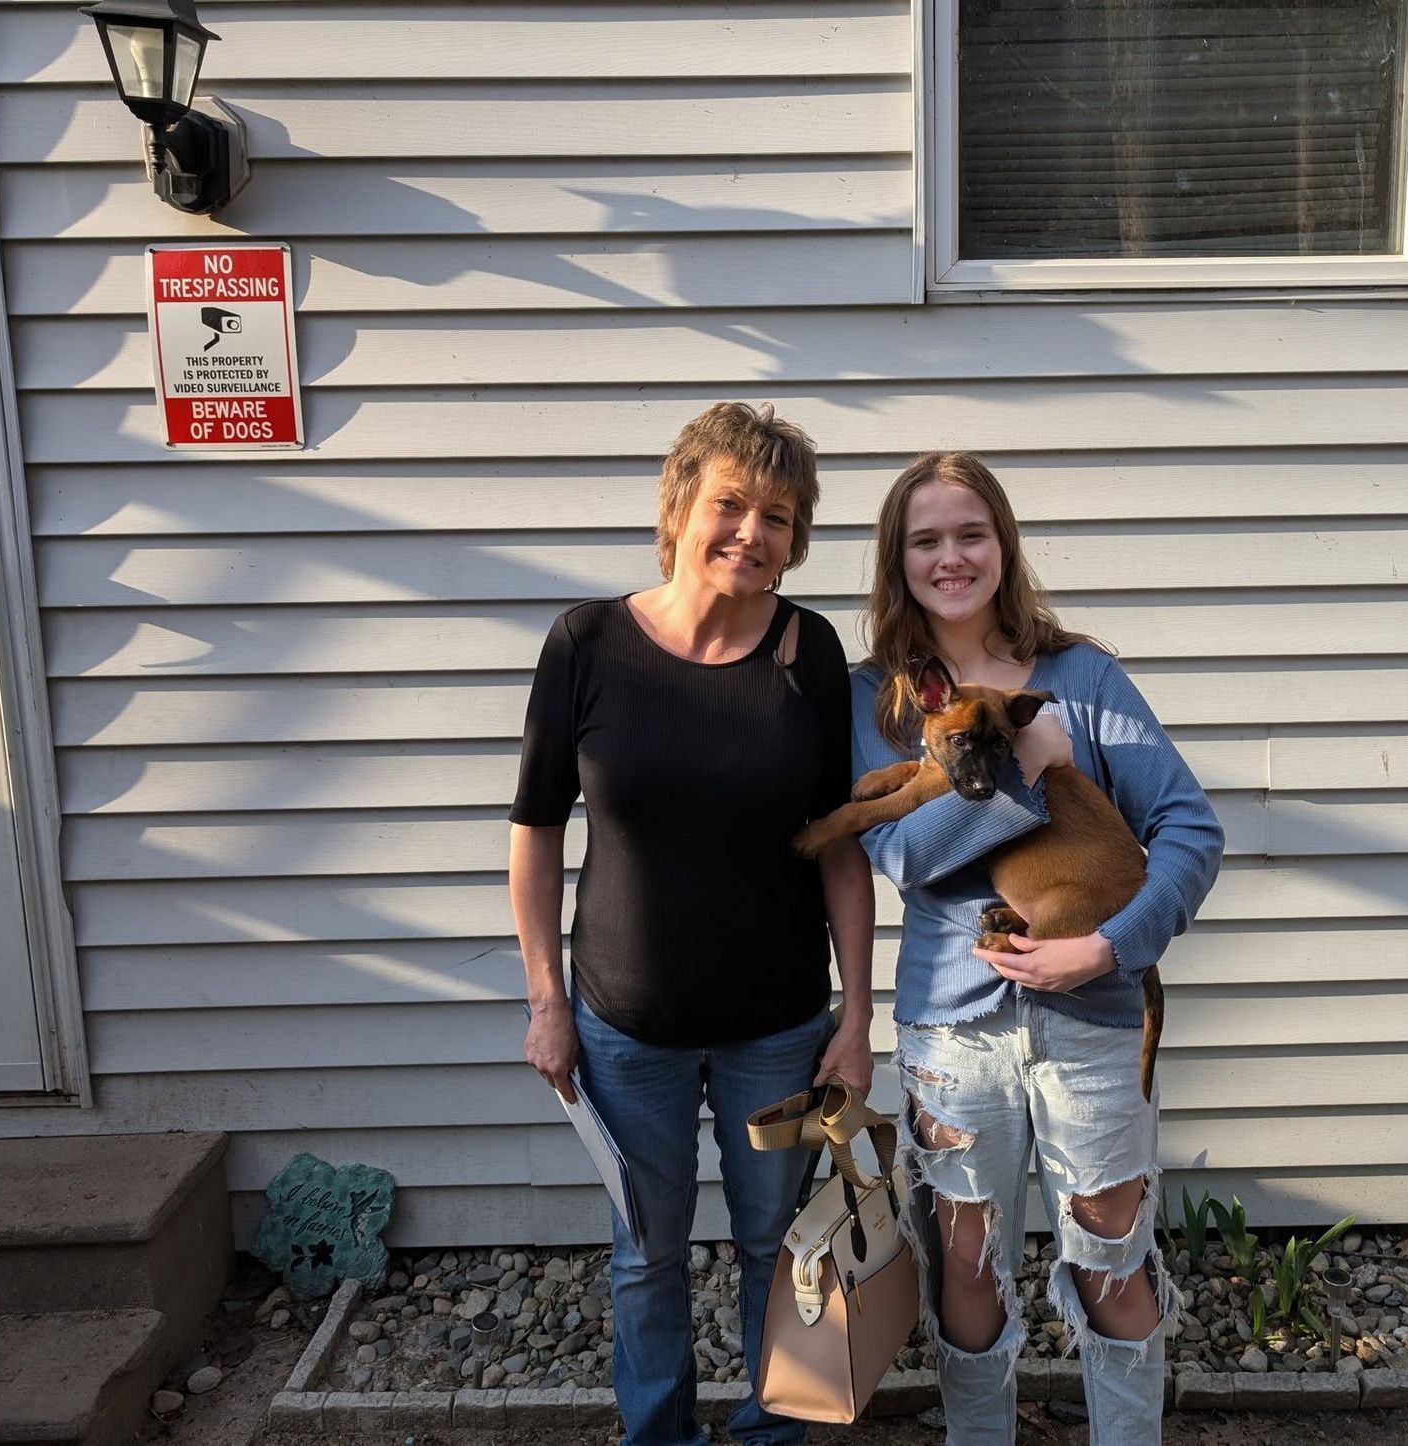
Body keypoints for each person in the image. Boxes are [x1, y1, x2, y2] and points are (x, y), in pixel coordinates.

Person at [509, 403, 875, 1446]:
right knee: (645, 1253)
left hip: (779, 1026)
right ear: (678, 507)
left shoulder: (810, 656)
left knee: (783, 1247)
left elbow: (840, 845)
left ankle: (773, 1431)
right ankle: (657, 1435)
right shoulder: (586, 643)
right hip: (626, 1027)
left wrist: (856, 1015)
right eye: (731, 503)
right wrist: (547, 1002)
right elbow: (534, 832)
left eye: (779, 516)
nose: (751, 533)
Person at [851, 452, 1224, 1445]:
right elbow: (904, 855)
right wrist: (1025, 770)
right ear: (898, 561)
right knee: (965, 1270)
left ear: (1003, 547)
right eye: (924, 539)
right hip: (952, 1035)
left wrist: (1111, 945)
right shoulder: (879, 700)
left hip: (1095, 1026)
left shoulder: (1084, 679)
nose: (950, 557)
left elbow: (1190, 828)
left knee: (1112, 1263)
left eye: (970, 533)